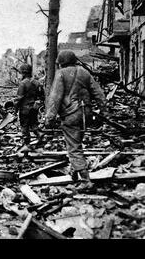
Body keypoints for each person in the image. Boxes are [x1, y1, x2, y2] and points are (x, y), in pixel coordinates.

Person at [45, 50, 107, 189]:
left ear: (61, 62)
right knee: (77, 142)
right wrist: (104, 111)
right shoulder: (84, 72)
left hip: (70, 114)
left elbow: (55, 97)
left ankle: (85, 181)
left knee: (74, 147)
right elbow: (98, 93)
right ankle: (75, 172)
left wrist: (49, 118)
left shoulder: (61, 73)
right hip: (86, 114)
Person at [14, 64, 44, 148]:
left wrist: (15, 109)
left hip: (24, 109)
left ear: (23, 73)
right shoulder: (37, 82)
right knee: (34, 124)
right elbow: (42, 96)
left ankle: (27, 144)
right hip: (34, 108)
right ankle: (39, 134)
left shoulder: (23, 84)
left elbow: (19, 98)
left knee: (25, 126)